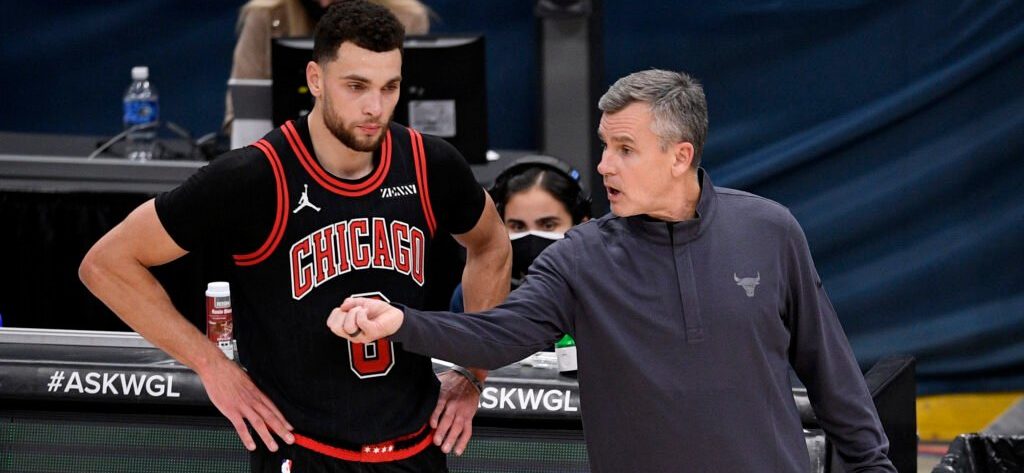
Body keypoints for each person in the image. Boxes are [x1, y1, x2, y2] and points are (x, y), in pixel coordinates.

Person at [328, 69, 898, 472]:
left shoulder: (770, 230)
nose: (604, 166)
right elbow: (496, 334)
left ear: (681, 156)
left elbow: (830, 368)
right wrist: (398, 321)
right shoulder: (579, 257)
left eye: (625, 148)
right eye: (604, 146)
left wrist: (873, 466)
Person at [80, 1, 510, 471]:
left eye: (390, 87)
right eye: (356, 86)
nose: (375, 106)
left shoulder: (431, 164)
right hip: (302, 452)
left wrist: (473, 371)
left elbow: (492, 245)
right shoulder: (254, 176)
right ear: (316, 78)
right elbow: (107, 264)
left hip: (413, 452)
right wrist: (212, 367)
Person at [225, 0, 431, 129]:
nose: (324, 4)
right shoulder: (267, 15)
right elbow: (239, 115)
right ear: (313, 78)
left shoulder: (406, 18)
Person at [450, 155, 591, 312]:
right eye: (518, 226)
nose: (532, 236)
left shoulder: (604, 293)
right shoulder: (471, 293)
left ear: (582, 224)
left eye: (548, 225)